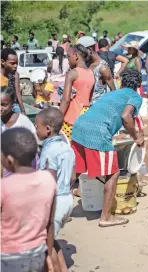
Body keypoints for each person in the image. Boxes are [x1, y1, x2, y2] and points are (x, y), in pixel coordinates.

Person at [71, 69, 144, 227]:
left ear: (122, 82)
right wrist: (136, 137)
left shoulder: (112, 94)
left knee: (76, 170)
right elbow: (126, 117)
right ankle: (106, 217)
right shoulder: (135, 97)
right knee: (113, 173)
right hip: (97, 134)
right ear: (139, 84)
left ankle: (58, 209)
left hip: (79, 127)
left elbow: (106, 113)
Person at [1, 127, 56, 272]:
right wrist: (48, 254)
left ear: (9, 160)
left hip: (9, 256)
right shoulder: (48, 180)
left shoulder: (4, 187)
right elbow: (50, 223)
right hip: (37, 252)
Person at [36, 108, 75, 272]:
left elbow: (49, 182)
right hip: (67, 199)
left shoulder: (49, 151)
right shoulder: (67, 148)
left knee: (44, 246)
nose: (35, 128)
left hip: (54, 202)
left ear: (47, 129)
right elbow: (73, 177)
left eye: (36, 125)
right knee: (51, 239)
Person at [60, 44, 95, 141]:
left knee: (69, 147)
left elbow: (66, 100)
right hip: (86, 116)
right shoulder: (91, 73)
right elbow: (89, 98)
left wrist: (57, 117)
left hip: (71, 118)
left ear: (75, 56)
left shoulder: (72, 73)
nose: (68, 60)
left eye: (68, 57)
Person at [77, 36, 115, 105]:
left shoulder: (103, 68)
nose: (80, 56)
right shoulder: (86, 64)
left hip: (98, 109)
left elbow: (113, 91)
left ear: (89, 50)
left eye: (81, 53)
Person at [1, 48, 25, 114]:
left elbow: (17, 92)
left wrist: (23, 111)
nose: (15, 66)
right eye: (12, 63)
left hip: (14, 105)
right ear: (3, 62)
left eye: (17, 63)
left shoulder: (15, 74)